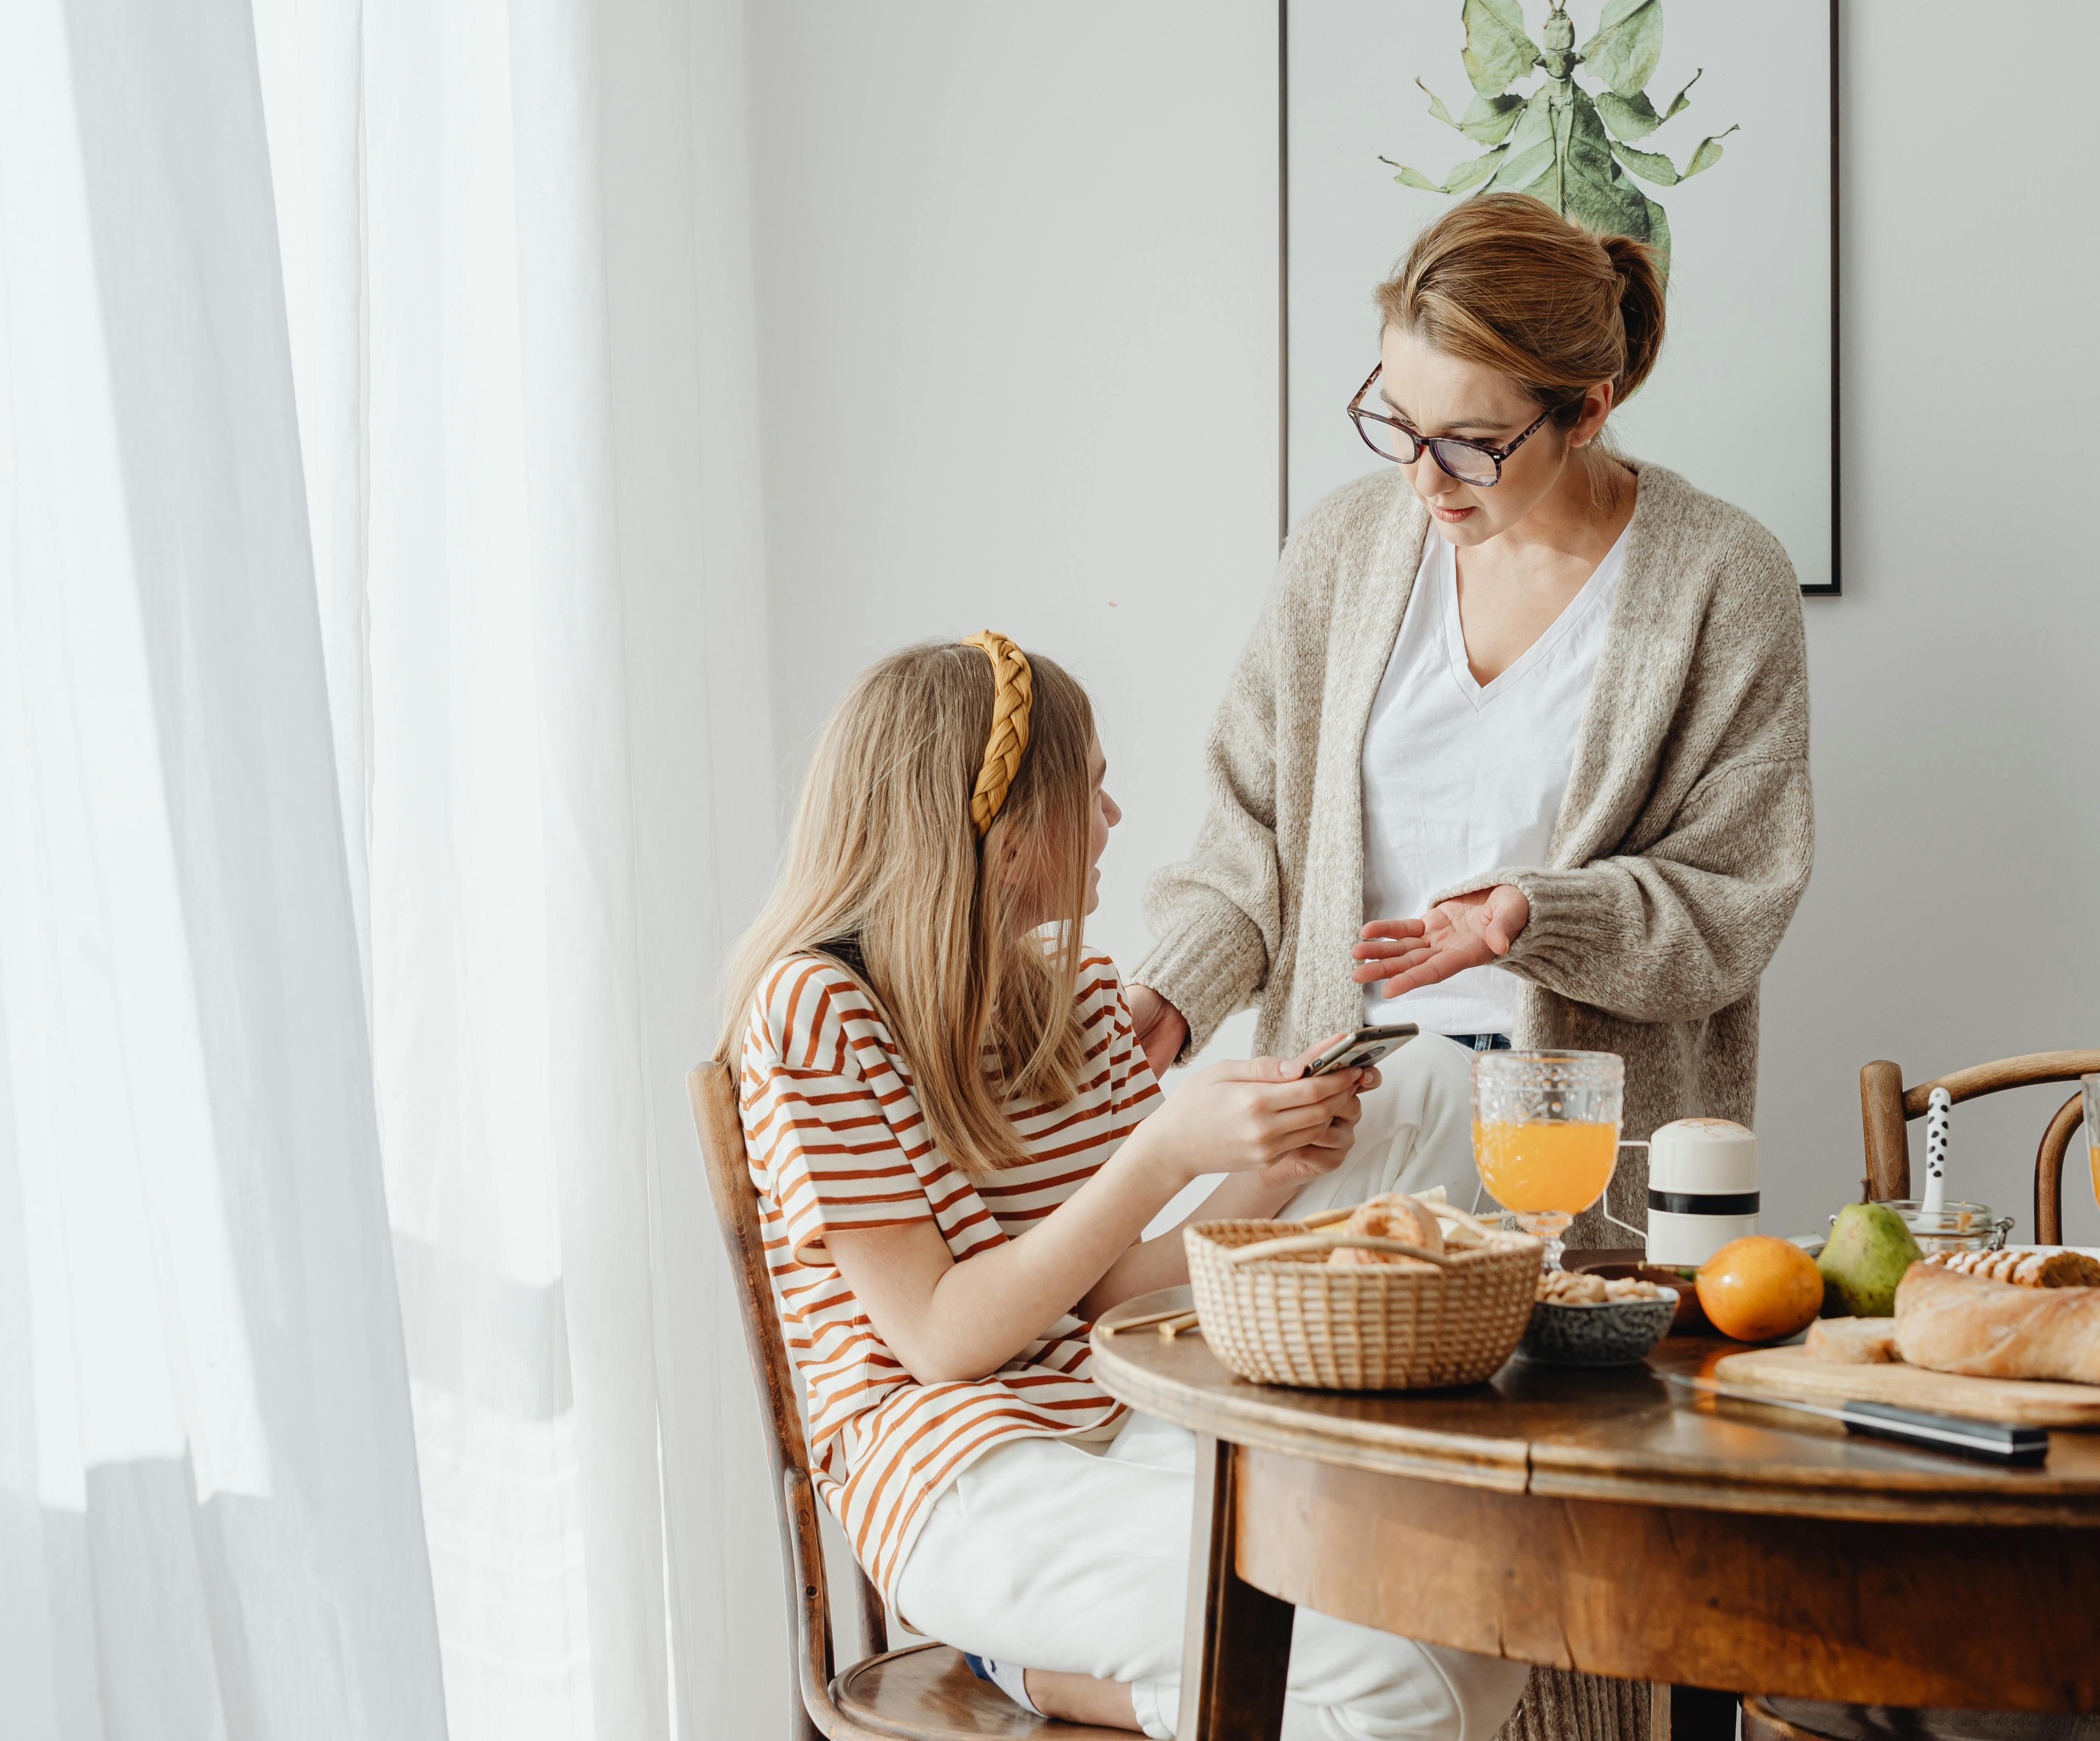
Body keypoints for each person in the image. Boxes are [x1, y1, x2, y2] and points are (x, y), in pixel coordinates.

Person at [717, 634, 1526, 1740]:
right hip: (964, 1473)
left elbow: (1111, 1303)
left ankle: (1069, 1676)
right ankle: (1067, 1670)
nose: (1112, 820)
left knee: (1471, 1612)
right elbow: (946, 1338)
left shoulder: (1076, 997)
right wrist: (1166, 1152)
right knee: (1411, 1666)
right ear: (1006, 836)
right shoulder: (816, 1010)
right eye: (1088, 790)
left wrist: (1271, 1162)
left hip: (1129, 1411)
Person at [1125, 193, 1814, 1238]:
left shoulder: (1723, 578)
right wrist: (1171, 996)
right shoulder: (1343, 553)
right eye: (1399, 425)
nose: (1423, 477)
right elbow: (1251, 837)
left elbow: (1735, 899)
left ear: (1587, 409)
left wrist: (1533, 918)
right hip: (1340, 1117)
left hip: (1573, 1161)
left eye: (1473, 442)